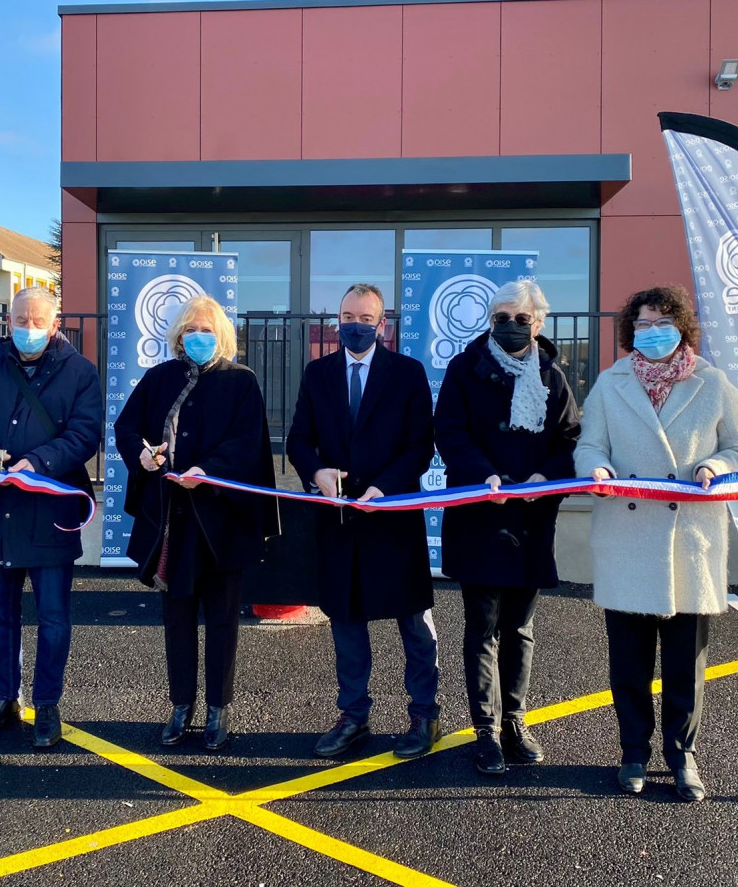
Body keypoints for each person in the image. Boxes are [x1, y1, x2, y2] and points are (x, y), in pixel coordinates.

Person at [574, 285, 738, 802]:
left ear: (682, 327)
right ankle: (633, 750)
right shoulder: (611, 384)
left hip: (689, 541)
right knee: (628, 662)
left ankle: (682, 754)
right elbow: (590, 443)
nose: (652, 332)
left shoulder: (712, 383)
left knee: (684, 664)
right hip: (627, 535)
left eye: (662, 322)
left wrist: (716, 466)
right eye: (643, 324)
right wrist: (596, 468)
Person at [0, 287, 102, 749]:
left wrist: (40, 462)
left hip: (48, 512)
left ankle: (47, 703)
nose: (27, 329)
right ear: (7, 321)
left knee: (53, 617)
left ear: (55, 324)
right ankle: (3, 697)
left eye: (36, 321)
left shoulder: (80, 372)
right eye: (19, 320)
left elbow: (85, 433)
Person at [114, 295, 278, 752]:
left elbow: (249, 443)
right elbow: (126, 429)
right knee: (177, 620)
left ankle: (218, 710)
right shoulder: (158, 378)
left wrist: (207, 471)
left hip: (222, 521)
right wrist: (143, 456)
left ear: (221, 335)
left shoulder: (241, 382)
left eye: (207, 330)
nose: (198, 337)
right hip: (173, 522)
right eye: (191, 330)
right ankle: (180, 706)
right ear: (178, 336)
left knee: (223, 620)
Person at [286, 284, 439, 760]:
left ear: (382, 325)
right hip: (339, 521)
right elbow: (298, 439)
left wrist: (385, 488)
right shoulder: (317, 373)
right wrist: (317, 471)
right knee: (347, 624)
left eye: (365, 317)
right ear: (337, 320)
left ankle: (424, 715)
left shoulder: (408, 373)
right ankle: (354, 716)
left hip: (392, 518)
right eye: (347, 315)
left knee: (414, 624)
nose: (355, 324)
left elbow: (421, 445)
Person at [434, 280, 580, 776]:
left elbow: (569, 440)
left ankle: (515, 721)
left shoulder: (554, 375)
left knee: (520, 627)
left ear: (538, 323)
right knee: (482, 627)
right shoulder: (464, 368)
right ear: (489, 320)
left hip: (531, 518)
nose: (511, 326)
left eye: (521, 318)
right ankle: (485, 730)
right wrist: (482, 475)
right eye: (501, 316)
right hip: (480, 512)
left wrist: (545, 477)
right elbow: (448, 429)